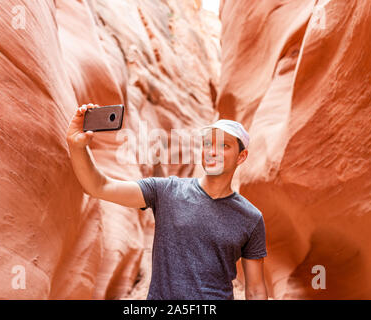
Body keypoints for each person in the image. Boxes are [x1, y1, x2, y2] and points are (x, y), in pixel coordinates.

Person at [66, 103, 268, 300]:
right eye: (208, 144)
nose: (212, 151)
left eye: (224, 145)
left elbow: (256, 291)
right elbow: (99, 186)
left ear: (241, 156)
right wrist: (77, 146)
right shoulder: (166, 191)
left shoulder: (250, 218)